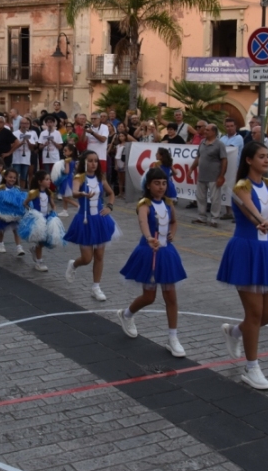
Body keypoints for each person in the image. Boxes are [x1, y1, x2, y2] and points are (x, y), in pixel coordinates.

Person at [217, 141, 268, 390]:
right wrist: (261, 221)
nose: (267, 160)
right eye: (261, 157)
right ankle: (252, 367)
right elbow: (250, 211)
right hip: (246, 250)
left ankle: (235, 332)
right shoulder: (240, 187)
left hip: (266, 250)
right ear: (249, 160)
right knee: (255, 314)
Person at [118, 166, 187, 357]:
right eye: (157, 183)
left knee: (171, 297)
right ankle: (126, 314)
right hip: (150, 252)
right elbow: (142, 223)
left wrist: (172, 234)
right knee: (149, 297)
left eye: (164, 183)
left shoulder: (168, 203)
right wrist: (149, 238)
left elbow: (173, 221)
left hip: (166, 253)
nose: (161, 187)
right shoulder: (144, 204)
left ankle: (173, 338)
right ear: (148, 185)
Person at [65, 150, 118, 302]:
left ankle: (96, 287)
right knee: (87, 258)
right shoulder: (79, 177)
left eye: (96, 161)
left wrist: (109, 207)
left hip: (100, 219)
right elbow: (74, 192)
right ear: (84, 162)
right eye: (90, 161)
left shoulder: (101, 177)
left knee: (100, 255)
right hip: (85, 220)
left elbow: (111, 193)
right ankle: (74, 264)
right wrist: (81, 194)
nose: (94, 164)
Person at [192, 123, 227, 227]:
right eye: (205, 130)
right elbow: (198, 157)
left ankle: (214, 219)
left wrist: (221, 176)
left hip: (214, 177)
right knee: (201, 197)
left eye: (207, 130)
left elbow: (224, 160)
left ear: (214, 132)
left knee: (214, 198)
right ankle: (202, 217)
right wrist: (191, 169)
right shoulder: (202, 142)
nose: (205, 131)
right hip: (202, 175)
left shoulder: (219, 144)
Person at [22, 170, 57, 272]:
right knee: (40, 240)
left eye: (49, 179)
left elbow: (53, 205)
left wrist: (54, 212)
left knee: (44, 240)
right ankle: (39, 262)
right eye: (46, 179)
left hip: (46, 218)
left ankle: (34, 249)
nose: (49, 181)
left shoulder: (49, 193)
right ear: (39, 181)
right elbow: (25, 203)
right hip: (37, 220)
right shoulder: (34, 193)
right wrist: (32, 212)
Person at [0, 168, 25, 255]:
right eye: (10, 177)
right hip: (2, 213)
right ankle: (0, 244)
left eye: (14, 178)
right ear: (5, 177)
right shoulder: (1, 188)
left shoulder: (17, 189)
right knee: (1, 229)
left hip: (13, 212)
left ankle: (19, 247)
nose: (12, 179)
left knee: (16, 229)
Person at [55, 144, 80, 216]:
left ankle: (78, 206)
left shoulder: (67, 160)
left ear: (71, 152)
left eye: (65, 151)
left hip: (66, 179)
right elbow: (76, 168)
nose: (64, 152)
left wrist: (61, 170)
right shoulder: (74, 160)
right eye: (63, 150)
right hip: (70, 178)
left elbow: (67, 171)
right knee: (65, 196)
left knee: (65, 197)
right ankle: (65, 211)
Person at [12, 117, 37, 188]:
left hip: (26, 159)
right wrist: (20, 143)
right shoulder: (14, 133)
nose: (24, 125)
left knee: (23, 177)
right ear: (20, 124)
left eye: (26, 123)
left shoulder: (30, 134)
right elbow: (12, 146)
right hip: (16, 159)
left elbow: (32, 148)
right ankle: (15, 191)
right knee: (15, 177)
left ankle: (22, 191)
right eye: (23, 123)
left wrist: (28, 141)